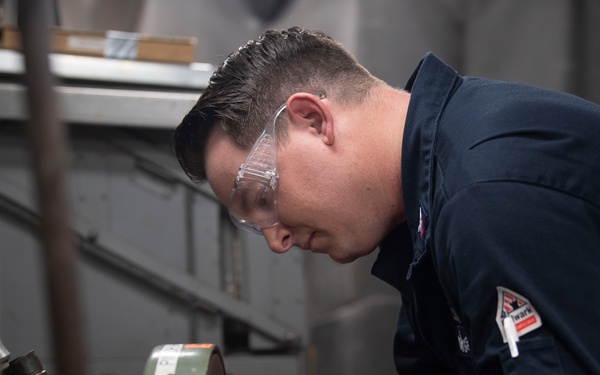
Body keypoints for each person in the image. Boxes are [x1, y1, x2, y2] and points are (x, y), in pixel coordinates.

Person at [173, 26, 600, 374]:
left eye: (263, 196)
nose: (276, 241)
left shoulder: (484, 195)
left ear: (312, 120)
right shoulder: (422, 216)